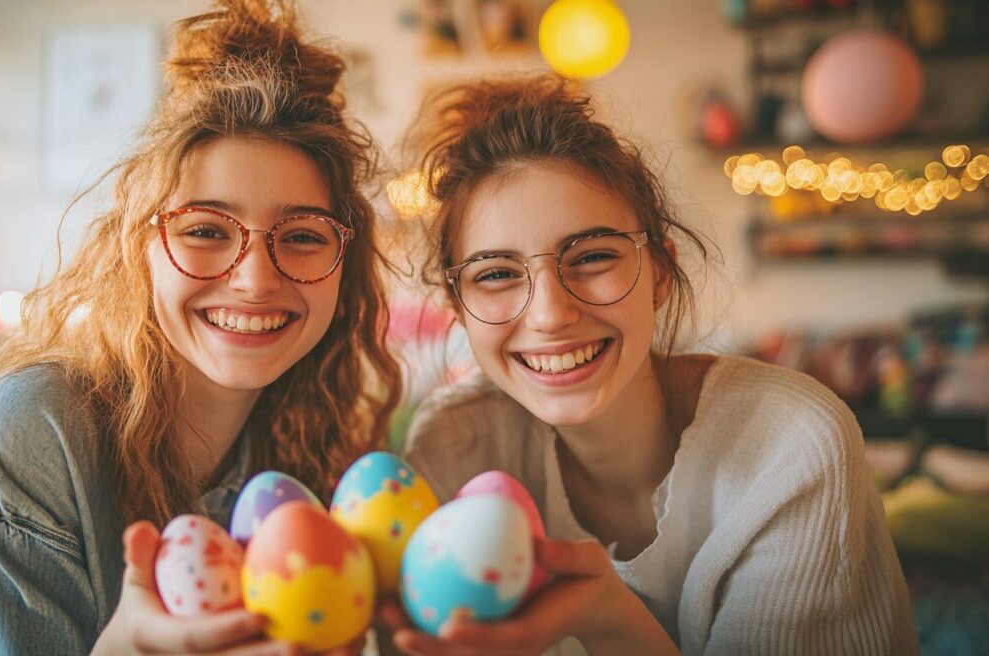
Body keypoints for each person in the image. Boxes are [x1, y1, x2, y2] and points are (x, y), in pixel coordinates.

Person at [0, 1, 401, 654]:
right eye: (206, 231)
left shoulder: (305, 442)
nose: (257, 279)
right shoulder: (32, 432)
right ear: (137, 249)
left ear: (344, 266)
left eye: (301, 236)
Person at [390, 75, 917, 655]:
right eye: (494, 273)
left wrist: (608, 618)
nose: (549, 315)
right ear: (455, 308)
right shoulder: (456, 444)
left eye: (591, 257)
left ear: (661, 272)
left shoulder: (792, 446)